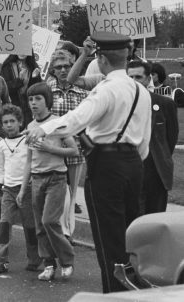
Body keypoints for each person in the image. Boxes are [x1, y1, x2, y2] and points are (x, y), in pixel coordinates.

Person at [24, 31, 152, 293]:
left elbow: (77, 118)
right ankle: (131, 286)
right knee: (127, 232)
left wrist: (44, 129)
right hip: (134, 164)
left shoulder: (107, 88)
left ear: (102, 59)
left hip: (107, 164)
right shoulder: (140, 90)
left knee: (108, 237)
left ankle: (115, 293)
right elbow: (144, 143)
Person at [17, 83, 78, 282]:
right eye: (30, 99)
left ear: (47, 101)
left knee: (49, 220)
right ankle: (49, 264)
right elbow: (29, 160)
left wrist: (49, 147)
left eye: (38, 99)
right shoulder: (31, 127)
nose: (33, 103)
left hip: (56, 178)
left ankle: (67, 260)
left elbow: (73, 151)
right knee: (40, 226)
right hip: (36, 179)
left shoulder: (57, 123)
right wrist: (22, 187)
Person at [0, 104, 41, 274]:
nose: (9, 125)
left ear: (20, 122)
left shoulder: (26, 140)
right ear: (1, 125)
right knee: (4, 224)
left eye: (12, 121)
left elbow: (32, 163)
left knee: (30, 226)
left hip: (26, 189)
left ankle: (35, 258)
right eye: (5, 122)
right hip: (8, 190)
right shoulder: (1, 144)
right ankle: (0, 259)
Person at [127, 60, 178, 214]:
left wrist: (160, 158)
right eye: (130, 78)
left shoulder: (165, 104)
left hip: (156, 173)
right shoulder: (120, 104)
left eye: (138, 77)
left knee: (154, 222)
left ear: (148, 79)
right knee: (130, 223)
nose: (134, 82)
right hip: (128, 171)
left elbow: (171, 139)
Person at [47, 50, 88, 242]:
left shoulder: (82, 92)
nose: (63, 70)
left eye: (67, 66)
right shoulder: (47, 90)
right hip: (54, 149)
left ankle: (69, 230)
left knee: (72, 194)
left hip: (76, 148)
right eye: (59, 67)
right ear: (53, 70)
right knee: (60, 191)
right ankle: (60, 229)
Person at [0, 54, 41, 128]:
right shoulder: (8, 66)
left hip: (28, 109)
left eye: (24, 50)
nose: (22, 53)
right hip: (12, 107)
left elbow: (37, 90)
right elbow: (4, 88)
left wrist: (35, 78)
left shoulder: (33, 66)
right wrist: (19, 81)